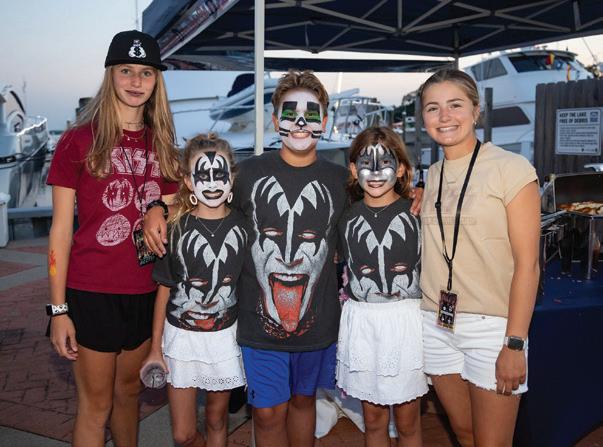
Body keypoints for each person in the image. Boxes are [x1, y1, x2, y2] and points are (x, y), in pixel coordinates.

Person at [144, 70, 424, 446]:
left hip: (319, 326)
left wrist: (418, 190)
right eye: (290, 114)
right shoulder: (245, 174)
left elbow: (382, 202)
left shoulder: (343, 181)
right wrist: (156, 207)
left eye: (311, 114)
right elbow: (201, 197)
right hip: (257, 327)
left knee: (304, 402)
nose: (300, 123)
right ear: (275, 121)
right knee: (267, 412)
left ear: (324, 120)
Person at [46, 30, 179, 447]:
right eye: (126, 70)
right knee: (96, 405)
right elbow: (60, 230)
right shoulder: (78, 140)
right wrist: (58, 310)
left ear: (156, 80)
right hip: (92, 292)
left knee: (129, 395)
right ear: (110, 75)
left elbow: (177, 209)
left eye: (146, 72)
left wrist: (159, 207)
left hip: (146, 292)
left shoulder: (163, 143)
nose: (136, 81)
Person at [419, 69, 540, 447]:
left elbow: (528, 265)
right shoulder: (431, 175)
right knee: (464, 432)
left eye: (455, 105)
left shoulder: (511, 169)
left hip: (492, 328)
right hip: (435, 322)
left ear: (475, 110)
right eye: (433, 108)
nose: (444, 116)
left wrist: (515, 343)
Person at [142, 134, 247, 446]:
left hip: (225, 338)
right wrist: (155, 347)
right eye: (202, 175)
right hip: (181, 339)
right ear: (188, 181)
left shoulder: (244, 226)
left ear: (232, 178)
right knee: (183, 434)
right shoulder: (175, 228)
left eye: (220, 174)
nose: (212, 183)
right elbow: (164, 289)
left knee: (216, 419)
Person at [336, 127, 428, 446]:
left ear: (401, 168)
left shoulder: (418, 212)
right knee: (373, 421)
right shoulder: (345, 217)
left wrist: (424, 191)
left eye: (385, 163)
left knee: (407, 422)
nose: (375, 173)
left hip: (406, 325)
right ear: (353, 169)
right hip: (363, 324)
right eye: (365, 164)